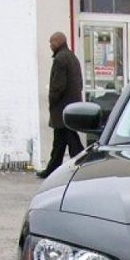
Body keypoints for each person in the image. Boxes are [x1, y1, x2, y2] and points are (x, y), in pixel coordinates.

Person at [38, 32, 83, 178]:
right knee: (60, 141)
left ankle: (82, 165)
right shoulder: (72, 57)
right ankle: (52, 168)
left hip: (62, 108)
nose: (50, 45)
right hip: (71, 105)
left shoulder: (60, 59)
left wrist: (52, 100)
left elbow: (58, 85)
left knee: (71, 140)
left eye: (52, 42)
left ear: (58, 42)